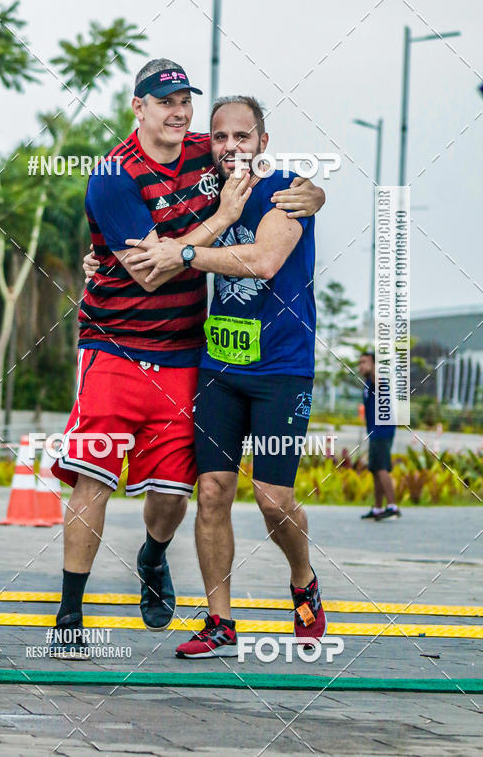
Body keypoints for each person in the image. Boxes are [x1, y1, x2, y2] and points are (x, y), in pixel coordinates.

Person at [50, 59, 325, 659]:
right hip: (147, 352)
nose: (180, 113)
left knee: (228, 496)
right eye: (165, 100)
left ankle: (276, 576)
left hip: (229, 361)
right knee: (162, 484)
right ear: (138, 106)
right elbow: (147, 272)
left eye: (185, 101)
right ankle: (85, 614)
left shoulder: (246, 173)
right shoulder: (118, 173)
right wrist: (215, 223)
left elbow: (270, 239)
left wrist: (315, 191)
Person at [123, 95, 327, 659]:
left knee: (272, 498)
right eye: (220, 137)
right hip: (219, 369)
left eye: (243, 136)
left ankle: (303, 580)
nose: (231, 146)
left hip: (282, 371)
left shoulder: (288, 190)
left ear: (262, 140)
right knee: (212, 491)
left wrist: (184, 254)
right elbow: (140, 224)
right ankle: (220, 621)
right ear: (209, 145)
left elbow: (262, 260)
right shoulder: (205, 195)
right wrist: (105, 257)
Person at [358, 351, 400, 521]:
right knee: (375, 469)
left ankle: (392, 507)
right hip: (375, 432)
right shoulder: (368, 383)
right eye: (360, 362)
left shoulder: (378, 380)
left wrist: (375, 366)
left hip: (383, 431)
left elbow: (378, 377)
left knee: (381, 467)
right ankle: (377, 508)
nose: (361, 366)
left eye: (365, 362)